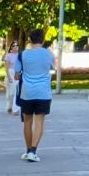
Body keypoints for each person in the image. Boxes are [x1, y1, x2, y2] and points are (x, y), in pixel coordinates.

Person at [15, 28, 55, 162]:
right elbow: (52, 69)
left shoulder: (22, 54)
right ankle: (33, 150)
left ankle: (28, 150)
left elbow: (17, 74)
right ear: (43, 39)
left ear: (30, 40)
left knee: (27, 121)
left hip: (27, 92)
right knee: (39, 122)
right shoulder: (49, 54)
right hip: (43, 92)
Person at [3, 41, 22, 114]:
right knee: (10, 93)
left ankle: (15, 109)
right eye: (13, 45)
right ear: (11, 47)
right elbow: (6, 67)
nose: (15, 46)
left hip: (18, 73)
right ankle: (9, 106)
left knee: (16, 91)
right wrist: (9, 77)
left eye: (17, 45)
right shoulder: (8, 55)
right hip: (10, 73)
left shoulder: (20, 55)